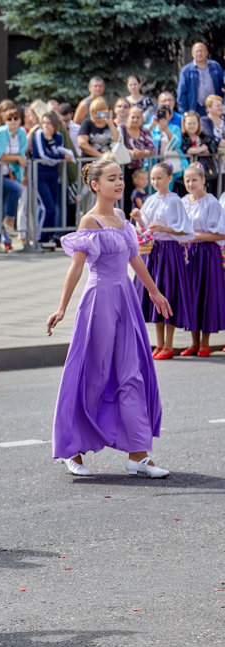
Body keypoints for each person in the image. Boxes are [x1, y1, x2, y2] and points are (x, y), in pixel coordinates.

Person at [47, 158, 170, 478]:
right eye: (112, 178)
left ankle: (139, 454)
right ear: (95, 185)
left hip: (126, 300)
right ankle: (72, 450)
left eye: (121, 178)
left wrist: (154, 292)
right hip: (99, 301)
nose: (120, 183)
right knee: (95, 373)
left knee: (133, 374)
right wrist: (61, 307)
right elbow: (76, 267)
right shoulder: (89, 222)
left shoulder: (120, 218)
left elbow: (133, 258)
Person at [129, 162, 193, 359]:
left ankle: (169, 344)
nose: (156, 182)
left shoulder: (175, 201)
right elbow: (146, 228)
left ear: (169, 178)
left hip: (170, 251)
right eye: (153, 178)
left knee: (169, 293)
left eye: (159, 178)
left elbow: (185, 229)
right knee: (155, 293)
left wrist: (165, 229)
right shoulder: (150, 200)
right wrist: (139, 219)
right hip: (154, 251)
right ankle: (159, 343)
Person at [179, 163, 225, 357]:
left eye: (194, 180)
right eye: (187, 180)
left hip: (207, 253)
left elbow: (220, 235)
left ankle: (205, 342)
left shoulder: (212, 203)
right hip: (189, 253)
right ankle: (194, 341)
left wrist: (196, 236)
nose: (190, 184)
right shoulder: (183, 202)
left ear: (203, 181)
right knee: (191, 296)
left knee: (206, 294)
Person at [0, 103, 26, 252]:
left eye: (16, 118)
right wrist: (15, 158)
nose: (13, 121)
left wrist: (17, 161)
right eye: (9, 119)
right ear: (4, 120)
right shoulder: (1, 133)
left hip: (9, 173)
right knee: (15, 190)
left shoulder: (21, 133)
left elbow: (21, 153)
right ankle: (8, 220)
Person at [32, 111, 75, 247]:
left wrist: (55, 152)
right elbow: (43, 155)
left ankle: (48, 236)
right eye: (44, 123)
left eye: (49, 123)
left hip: (53, 175)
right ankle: (41, 237)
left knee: (52, 208)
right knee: (47, 207)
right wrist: (60, 158)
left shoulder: (58, 136)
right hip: (40, 174)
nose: (45, 126)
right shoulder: (38, 135)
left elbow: (57, 151)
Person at [177, 42, 224, 116]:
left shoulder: (215, 66)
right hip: (195, 108)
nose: (199, 53)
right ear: (192, 54)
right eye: (197, 51)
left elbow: (223, 86)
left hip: (214, 108)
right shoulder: (186, 71)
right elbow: (182, 92)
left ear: (206, 53)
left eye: (201, 51)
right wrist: (184, 111)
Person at [180, 111, 217, 179]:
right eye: (189, 123)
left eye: (194, 123)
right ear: (184, 124)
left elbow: (212, 148)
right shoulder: (182, 137)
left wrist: (198, 150)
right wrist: (202, 149)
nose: (192, 126)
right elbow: (187, 150)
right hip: (187, 170)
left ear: (198, 124)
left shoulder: (203, 136)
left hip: (206, 170)